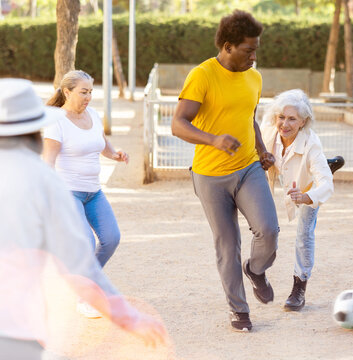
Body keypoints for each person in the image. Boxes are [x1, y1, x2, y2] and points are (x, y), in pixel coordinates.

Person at [0, 78, 166, 359]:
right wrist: (129, 317)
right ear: (33, 135)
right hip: (21, 327)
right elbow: (81, 258)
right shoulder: (46, 183)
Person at [171, 10, 278, 332]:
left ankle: (256, 269)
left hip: (248, 168)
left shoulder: (254, 76)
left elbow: (250, 118)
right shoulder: (202, 75)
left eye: (256, 49)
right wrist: (213, 140)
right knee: (227, 245)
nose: (254, 56)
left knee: (268, 230)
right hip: (210, 177)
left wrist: (262, 150)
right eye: (249, 49)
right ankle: (239, 311)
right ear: (228, 46)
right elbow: (178, 124)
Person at [42, 70, 129, 318]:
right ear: (67, 92)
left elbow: (102, 144)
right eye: (83, 92)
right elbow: (48, 160)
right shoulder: (56, 120)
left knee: (111, 238)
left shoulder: (93, 114)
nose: (88, 96)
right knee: (85, 244)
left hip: (94, 192)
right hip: (68, 193)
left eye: (91, 91)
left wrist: (115, 154)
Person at [260, 89, 334, 311]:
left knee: (304, 233)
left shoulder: (312, 144)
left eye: (292, 119)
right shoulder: (266, 133)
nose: (285, 124)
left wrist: (307, 196)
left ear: (303, 122)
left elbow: (327, 185)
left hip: (306, 185)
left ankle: (299, 288)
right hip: (281, 175)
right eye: (281, 117)